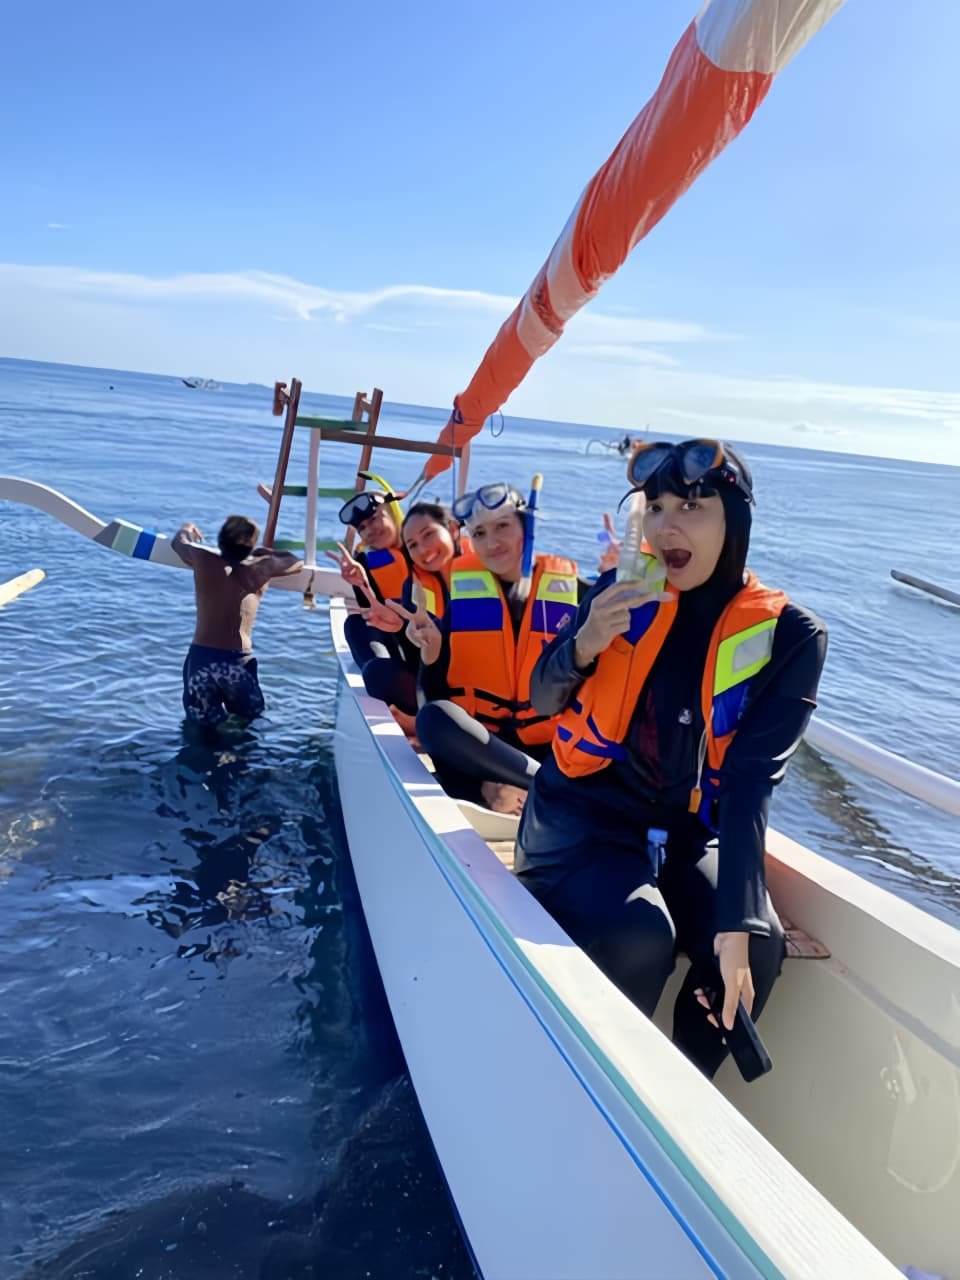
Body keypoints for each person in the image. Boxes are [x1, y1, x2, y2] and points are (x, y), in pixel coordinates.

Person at [514, 440, 827, 1077]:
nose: (665, 527)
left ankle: (681, 1088)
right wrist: (584, 642)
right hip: (580, 819)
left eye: (691, 506)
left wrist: (737, 926)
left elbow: (752, 779)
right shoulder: (623, 592)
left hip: (685, 833)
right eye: (654, 507)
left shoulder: (791, 636)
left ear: (735, 519)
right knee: (641, 934)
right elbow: (542, 697)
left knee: (758, 945)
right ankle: (589, 1083)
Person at [392, 482, 582, 815]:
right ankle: (518, 789)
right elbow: (433, 698)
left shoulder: (576, 594)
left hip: (551, 748)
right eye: (479, 533)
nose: (491, 543)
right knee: (434, 720)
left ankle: (511, 789)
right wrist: (431, 653)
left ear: (527, 526)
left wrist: (622, 581)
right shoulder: (464, 602)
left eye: (502, 526)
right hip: (484, 748)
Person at [171, 515, 302, 727]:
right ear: (250, 547)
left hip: (202, 660)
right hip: (237, 663)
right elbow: (295, 562)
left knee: (201, 730)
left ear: (220, 540)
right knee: (249, 725)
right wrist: (268, 553)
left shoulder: (202, 559)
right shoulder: (259, 569)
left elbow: (178, 543)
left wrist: (188, 527)